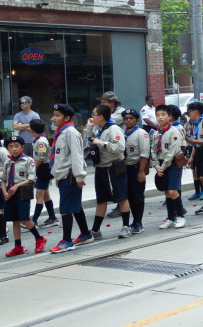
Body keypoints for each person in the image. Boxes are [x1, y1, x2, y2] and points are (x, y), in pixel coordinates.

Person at [48, 105, 92, 253]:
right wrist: (57, 175)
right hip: (64, 175)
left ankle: (67, 241)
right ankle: (86, 234)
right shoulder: (61, 132)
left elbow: (77, 156)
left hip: (71, 176)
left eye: (57, 115)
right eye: (53, 115)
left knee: (65, 208)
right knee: (75, 206)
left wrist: (79, 177)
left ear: (66, 118)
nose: (54, 118)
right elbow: (61, 157)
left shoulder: (70, 133)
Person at [88, 103, 130, 240]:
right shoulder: (98, 128)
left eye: (94, 114)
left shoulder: (113, 129)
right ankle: (95, 230)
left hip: (113, 168)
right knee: (101, 200)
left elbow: (119, 148)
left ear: (101, 117)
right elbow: (88, 140)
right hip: (100, 169)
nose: (92, 116)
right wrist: (89, 128)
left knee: (121, 197)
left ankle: (126, 226)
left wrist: (99, 143)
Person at [2, 136, 46, 256]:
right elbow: (3, 179)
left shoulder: (28, 160)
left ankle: (39, 238)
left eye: (16, 146)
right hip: (10, 194)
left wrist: (17, 186)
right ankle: (18, 246)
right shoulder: (7, 162)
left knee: (24, 220)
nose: (14, 149)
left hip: (22, 193)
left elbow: (32, 178)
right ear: (7, 149)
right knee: (15, 221)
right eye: (11, 147)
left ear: (22, 147)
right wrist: (4, 192)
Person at [153, 104, 186, 229]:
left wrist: (164, 166)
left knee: (173, 191)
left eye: (163, 115)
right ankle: (170, 218)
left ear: (169, 117)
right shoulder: (156, 133)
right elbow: (153, 151)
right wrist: (156, 166)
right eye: (157, 115)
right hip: (161, 165)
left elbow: (173, 151)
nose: (160, 118)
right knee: (167, 192)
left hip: (172, 164)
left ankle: (181, 217)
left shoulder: (174, 132)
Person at [120, 109, 150, 235]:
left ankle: (139, 222)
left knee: (138, 196)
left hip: (136, 168)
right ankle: (134, 220)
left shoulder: (141, 133)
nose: (128, 120)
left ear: (137, 120)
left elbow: (144, 154)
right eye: (126, 118)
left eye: (131, 118)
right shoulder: (122, 133)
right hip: (124, 169)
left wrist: (141, 171)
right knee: (129, 197)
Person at [29, 118, 57, 228]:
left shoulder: (40, 142)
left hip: (42, 169)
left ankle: (34, 221)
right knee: (46, 195)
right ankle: (53, 217)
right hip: (43, 168)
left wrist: (34, 171)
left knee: (39, 195)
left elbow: (40, 158)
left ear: (31, 130)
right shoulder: (40, 139)